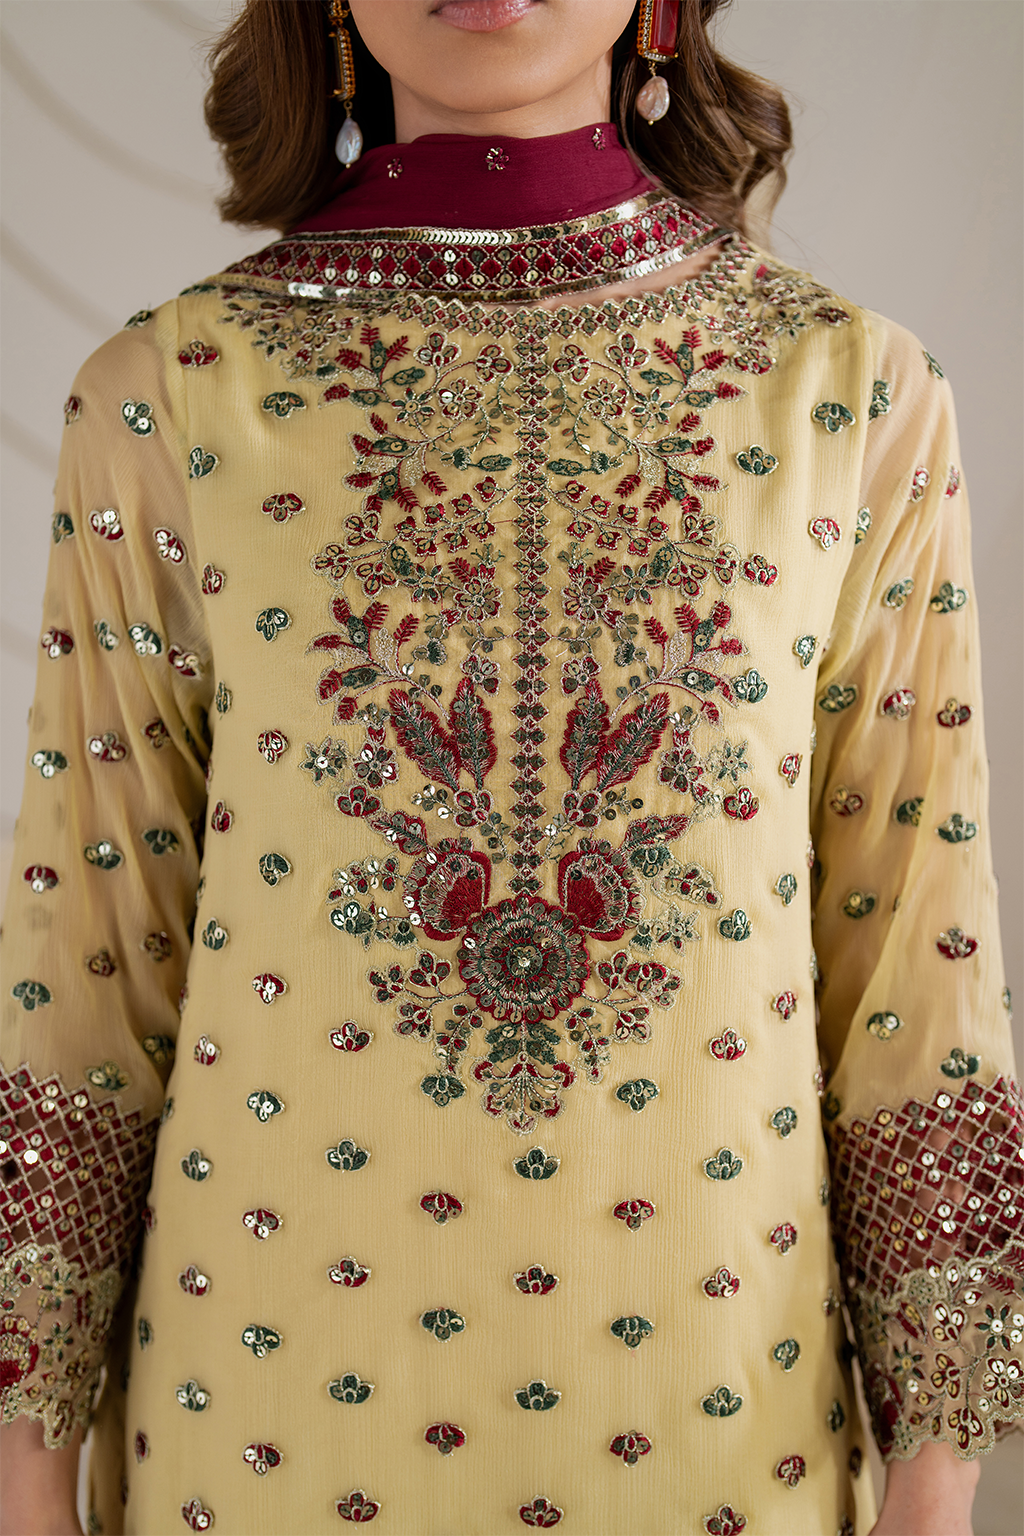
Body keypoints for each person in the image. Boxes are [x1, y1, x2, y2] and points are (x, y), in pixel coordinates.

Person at [1, 1, 1020, 1532]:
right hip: (262, 1429)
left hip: (726, 1430)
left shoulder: (849, 396)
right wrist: (25, 1478)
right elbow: (84, 967)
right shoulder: (171, 395)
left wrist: (939, 1482)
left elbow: (916, 967)